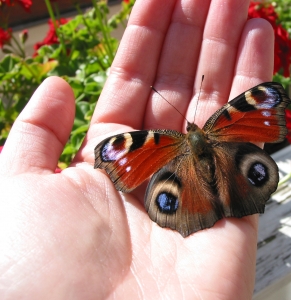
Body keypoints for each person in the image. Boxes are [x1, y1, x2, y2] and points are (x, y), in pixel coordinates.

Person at [0, 0, 274, 298]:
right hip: (226, 162)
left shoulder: (165, 141)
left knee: (180, 185)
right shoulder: (217, 126)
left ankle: (211, 203)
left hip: (188, 175)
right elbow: (261, 101)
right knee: (245, 164)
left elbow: (266, 101)